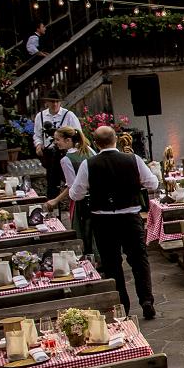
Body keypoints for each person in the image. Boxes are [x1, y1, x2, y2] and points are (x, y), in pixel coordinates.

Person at [69, 125, 158, 319]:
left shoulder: (89, 164)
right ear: (115, 139)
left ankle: (122, 306)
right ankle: (146, 300)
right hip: (130, 217)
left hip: (103, 220)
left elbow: (76, 194)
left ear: (95, 143)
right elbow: (153, 183)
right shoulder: (133, 159)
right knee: (139, 261)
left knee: (112, 264)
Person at [42, 125, 94, 262]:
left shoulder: (66, 160)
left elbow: (72, 186)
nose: (55, 142)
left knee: (82, 233)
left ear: (68, 140)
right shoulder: (89, 151)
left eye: (58, 139)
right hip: (96, 198)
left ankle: (89, 261)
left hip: (81, 202)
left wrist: (55, 200)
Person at [32, 93, 81, 201]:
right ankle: (52, 205)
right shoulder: (40, 116)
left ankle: (72, 200)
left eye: (57, 101)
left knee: (70, 179)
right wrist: (38, 145)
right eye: (52, 101)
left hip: (65, 152)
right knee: (52, 180)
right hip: (49, 153)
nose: (55, 104)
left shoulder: (69, 115)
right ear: (47, 102)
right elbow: (37, 135)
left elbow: (78, 134)